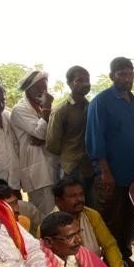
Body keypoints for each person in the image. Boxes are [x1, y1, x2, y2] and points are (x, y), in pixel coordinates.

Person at [85, 57, 134, 265]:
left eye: (130, 74)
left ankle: (125, 257)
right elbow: (95, 140)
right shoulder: (101, 102)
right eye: (122, 74)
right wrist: (105, 172)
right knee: (112, 220)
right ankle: (111, 265)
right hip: (112, 174)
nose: (127, 78)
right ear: (112, 76)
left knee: (130, 219)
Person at [52, 179, 127, 267]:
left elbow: (109, 246)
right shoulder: (49, 227)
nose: (79, 199)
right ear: (58, 201)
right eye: (73, 196)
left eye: (81, 194)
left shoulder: (92, 215)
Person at [10, 70, 57, 215]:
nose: (43, 91)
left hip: (52, 168)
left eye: (45, 87)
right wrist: (47, 109)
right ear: (28, 89)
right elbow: (41, 133)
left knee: (57, 213)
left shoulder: (43, 107)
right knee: (45, 215)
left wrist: (46, 139)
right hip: (37, 173)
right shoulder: (19, 110)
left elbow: (54, 133)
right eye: (38, 87)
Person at [45, 66, 94, 204]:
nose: (85, 83)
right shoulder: (61, 110)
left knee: (90, 207)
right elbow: (52, 144)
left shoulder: (91, 107)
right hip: (71, 168)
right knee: (72, 205)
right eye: (80, 80)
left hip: (90, 167)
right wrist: (70, 153)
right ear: (69, 83)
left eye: (87, 80)